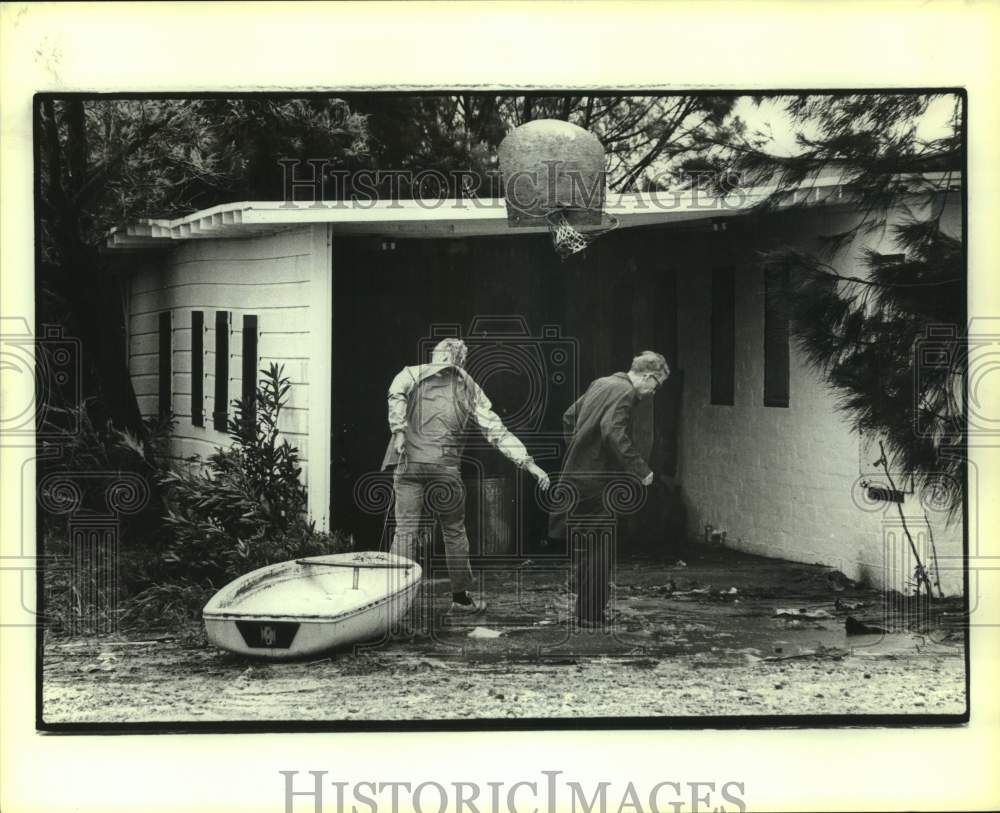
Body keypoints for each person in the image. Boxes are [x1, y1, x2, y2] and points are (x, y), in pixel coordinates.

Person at [381, 338, 550, 614]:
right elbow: (496, 431)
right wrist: (528, 463)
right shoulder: (470, 388)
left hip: (409, 465)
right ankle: (460, 599)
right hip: (446, 470)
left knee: (405, 531)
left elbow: (395, 393)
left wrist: (399, 430)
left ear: (440, 355)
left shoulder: (410, 373)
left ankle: (393, 604)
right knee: (454, 531)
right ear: (460, 361)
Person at [549, 351, 670, 626]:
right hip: (596, 483)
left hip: (577, 477)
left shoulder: (601, 383)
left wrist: (580, 451)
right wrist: (641, 470)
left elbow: (569, 417)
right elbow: (613, 432)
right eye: (656, 385)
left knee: (590, 545)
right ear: (649, 376)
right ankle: (590, 615)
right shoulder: (625, 392)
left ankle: (585, 609)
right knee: (601, 548)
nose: (653, 392)